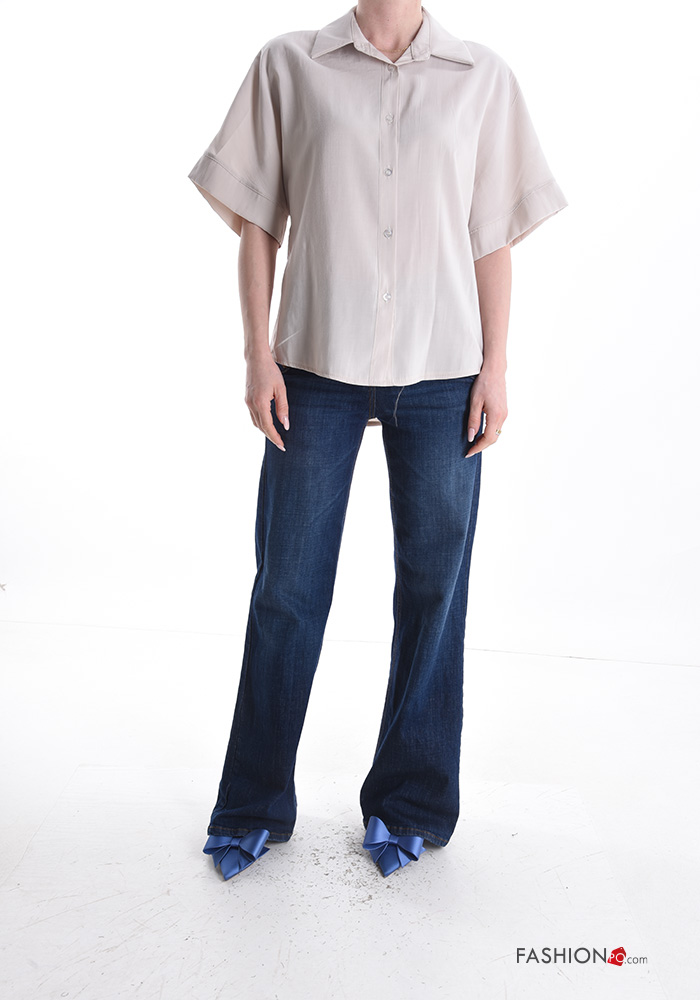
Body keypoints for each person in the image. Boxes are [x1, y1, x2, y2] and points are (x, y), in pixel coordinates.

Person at [188, 1, 568, 880]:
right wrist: (257, 354)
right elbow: (258, 224)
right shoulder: (289, 64)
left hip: (442, 371)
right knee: (287, 588)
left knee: (435, 588)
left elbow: (492, 238)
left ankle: (410, 804)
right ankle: (252, 803)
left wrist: (496, 366)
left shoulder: (481, 78)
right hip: (313, 366)